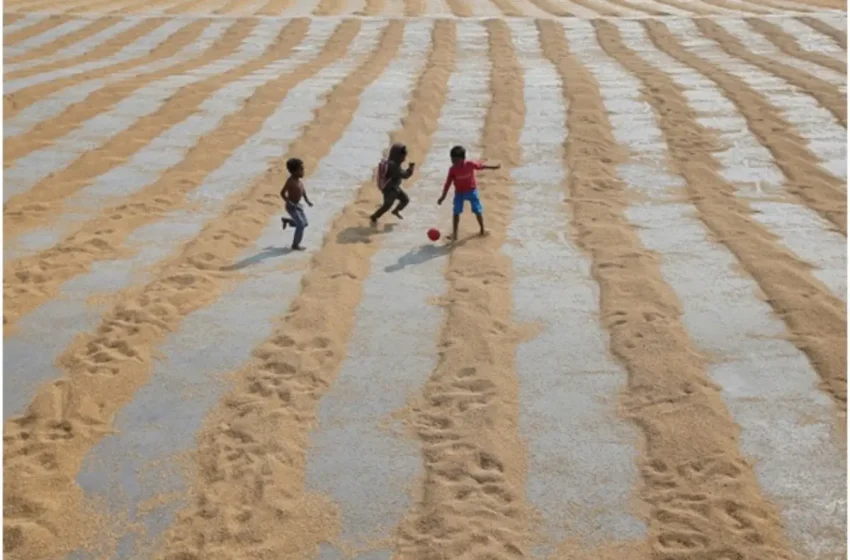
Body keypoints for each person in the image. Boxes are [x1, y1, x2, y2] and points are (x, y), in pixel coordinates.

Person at [437, 145, 500, 240]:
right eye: (452, 160)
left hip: (471, 191)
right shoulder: (452, 170)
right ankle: (455, 234)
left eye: (456, 160)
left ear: (463, 159)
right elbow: (447, 184)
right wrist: (443, 197)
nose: (454, 162)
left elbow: (480, 166)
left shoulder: (469, 164)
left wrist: (493, 167)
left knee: (477, 210)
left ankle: (482, 230)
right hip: (459, 193)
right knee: (456, 212)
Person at [370, 142, 415, 226]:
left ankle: (396, 211)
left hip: (395, 187)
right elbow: (405, 175)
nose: (404, 158)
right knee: (387, 205)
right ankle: (374, 217)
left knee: (405, 200)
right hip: (389, 189)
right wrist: (411, 169)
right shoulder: (393, 167)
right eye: (403, 155)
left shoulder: (394, 163)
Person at [280, 157, 313, 251]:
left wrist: (307, 201)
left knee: (305, 223)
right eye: (301, 169)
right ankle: (295, 245)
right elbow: (282, 193)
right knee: (301, 225)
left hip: (298, 206)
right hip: (291, 207)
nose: (303, 171)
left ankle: (288, 221)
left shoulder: (299, 181)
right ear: (294, 171)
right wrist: (288, 202)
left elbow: (303, 191)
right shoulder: (290, 182)